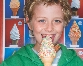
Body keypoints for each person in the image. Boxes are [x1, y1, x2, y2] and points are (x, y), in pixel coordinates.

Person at [0, 0, 83, 66]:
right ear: (29, 23)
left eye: (57, 21)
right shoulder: (13, 63)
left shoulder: (75, 62)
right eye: (42, 20)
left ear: (64, 23)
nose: (49, 28)